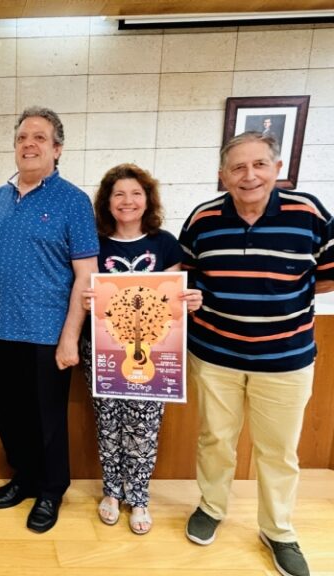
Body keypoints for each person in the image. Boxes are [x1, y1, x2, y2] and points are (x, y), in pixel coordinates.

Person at [180, 132, 334, 576]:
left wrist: (283, 301)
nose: (250, 176)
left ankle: (279, 530)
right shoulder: (203, 218)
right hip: (214, 354)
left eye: (260, 165)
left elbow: (326, 276)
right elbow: (187, 279)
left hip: (286, 358)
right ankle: (211, 507)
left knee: (279, 450)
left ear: (277, 168)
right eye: (239, 167)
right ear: (223, 174)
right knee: (215, 439)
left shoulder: (309, 213)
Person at [0, 106, 99, 533]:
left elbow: (87, 275)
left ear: (57, 149)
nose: (29, 144)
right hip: (0, 329)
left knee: (47, 418)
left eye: (40, 137)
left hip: (47, 333)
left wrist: (70, 337)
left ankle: (50, 489)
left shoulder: (73, 201)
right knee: (10, 413)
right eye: (23, 137)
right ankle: (23, 478)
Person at [78, 164, 202, 535]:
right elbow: (81, 285)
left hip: (154, 350)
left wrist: (189, 300)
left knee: (145, 424)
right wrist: (85, 301)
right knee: (108, 421)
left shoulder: (164, 243)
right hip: (101, 346)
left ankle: (140, 496)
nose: (127, 201)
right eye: (119, 194)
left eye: (135, 194)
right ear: (107, 202)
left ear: (147, 200)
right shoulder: (93, 243)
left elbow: (173, 298)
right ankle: (112, 492)